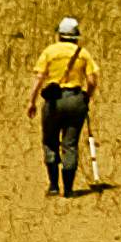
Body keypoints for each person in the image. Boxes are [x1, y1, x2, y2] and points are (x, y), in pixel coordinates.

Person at [35, 14, 101, 197]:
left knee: (50, 141)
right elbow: (92, 80)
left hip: (54, 101)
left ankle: (54, 185)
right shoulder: (82, 53)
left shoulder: (50, 52)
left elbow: (39, 78)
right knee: (70, 144)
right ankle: (69, 189)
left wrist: (31, 101)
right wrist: (87, 95)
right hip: (75, 99)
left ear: (59, 35)